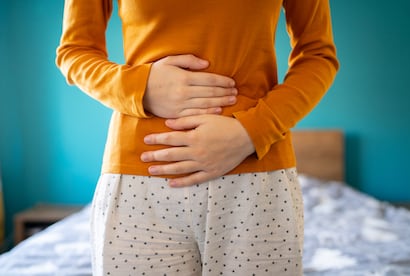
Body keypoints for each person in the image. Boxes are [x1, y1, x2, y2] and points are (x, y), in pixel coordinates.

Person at [56, 0, 338, 275]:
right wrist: (139, 86)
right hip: (139, 182)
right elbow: (74, 51)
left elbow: (318, 55)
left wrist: (251, 132)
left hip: (257, 175)